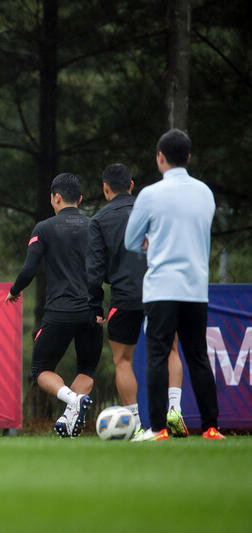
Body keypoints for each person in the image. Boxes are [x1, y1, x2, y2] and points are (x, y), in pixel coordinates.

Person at [125, 128, 224, 441]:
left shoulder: (151, 194)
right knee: (197, 357)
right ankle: (211, 427)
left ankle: (157, 430)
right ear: (189, 157)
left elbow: (131, 240)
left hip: (162, 288)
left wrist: (151, 242)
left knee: (156, 357)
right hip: (195, 288)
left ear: (160, 158)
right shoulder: (205, 193)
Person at [87, 163, 187, 440]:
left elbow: (94, 270)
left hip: (124, 295)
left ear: (105, 189)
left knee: (122, 361)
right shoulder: (154, 210)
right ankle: (175, 410)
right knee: (171, 351)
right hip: (162, 290)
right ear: (132, 186)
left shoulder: (99, 220)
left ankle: (136, 425)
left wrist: (95, 305)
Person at [5, 173, 102, 438]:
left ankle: (72, 401)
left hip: (60, 312)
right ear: (80, 199)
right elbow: (104, 269)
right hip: (91, 313)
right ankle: (71, 417)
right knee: (87, 370)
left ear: (55, 197)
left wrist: (14, 291)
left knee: (40, 371)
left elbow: (29, 269)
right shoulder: (95, 226)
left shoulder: (44, 228)